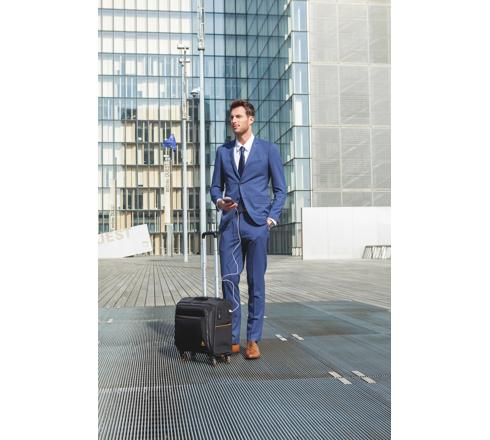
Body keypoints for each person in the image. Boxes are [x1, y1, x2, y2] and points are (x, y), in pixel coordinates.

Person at [210, 100, 287, 359]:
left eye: (239, 116)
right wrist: (219, 202)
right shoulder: (223, 152)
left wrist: (271, 219)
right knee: (229, 281)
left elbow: (280, 190)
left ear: (250, 119)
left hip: (257, 225)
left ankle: (253, 339)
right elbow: (215, 187)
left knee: (256, 284)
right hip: (230, 225)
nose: (234, 121)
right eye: (231, 117)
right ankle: (232, 338)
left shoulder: (268, 150)